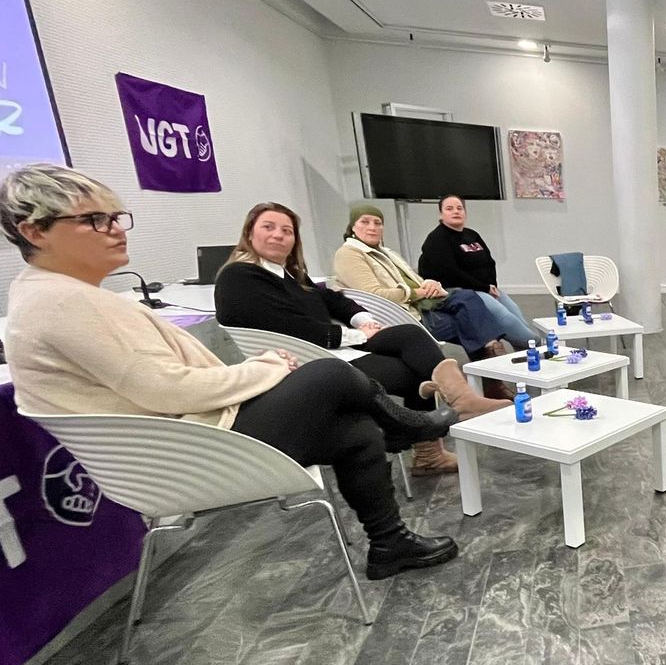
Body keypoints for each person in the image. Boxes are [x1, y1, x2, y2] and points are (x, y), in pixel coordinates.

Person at [0, 165, 458, 579]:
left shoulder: (58, 295)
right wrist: (266, 368)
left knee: (355, 430)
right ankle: (406, 426)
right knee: (328, 376)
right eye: (95, 220)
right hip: (186, 453)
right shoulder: (62, 303)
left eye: (117, 217)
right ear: (34, 231)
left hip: (189, 436)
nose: (116, 230)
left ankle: (389, 542)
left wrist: (268, 369)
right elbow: (168, 389)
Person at [216, 202, 507, 477]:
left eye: (287, 230)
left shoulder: (288, 274)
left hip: (336, 344)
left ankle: (460, 402)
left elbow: (333, 298)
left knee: (410, 335)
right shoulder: (240, 277)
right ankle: (428, 451)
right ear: (249, 233)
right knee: (411, 371)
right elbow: (288, 326)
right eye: (269, 227)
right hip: (310, 360)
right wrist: (353, 334)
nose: (278, 234)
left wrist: (362, 320)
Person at [329, 203, 507, 359]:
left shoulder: (386, 252)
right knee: (470, 321)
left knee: (468, 301)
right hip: (406, 314)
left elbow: (412, 279)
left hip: (424, 302)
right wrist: (419, 292)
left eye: (378, 223)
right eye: (365, 222)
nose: (372, 227)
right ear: (353, 227)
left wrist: (429, 283)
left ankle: (492, 366)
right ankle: (494, 365)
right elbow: (375, 294)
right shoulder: (349, 254)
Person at [417, 194, 537, 347]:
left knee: (514, 310)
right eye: (449, 208)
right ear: (441, 214)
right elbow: (451, 273)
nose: (456, 211)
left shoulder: (471, 234)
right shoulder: (437, 239)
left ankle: (525, 347)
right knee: (503, 317)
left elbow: (489, 262)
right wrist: (485, 288)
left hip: (485, 288)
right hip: (459, 291)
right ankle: (536, 345)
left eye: (460, 208)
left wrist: (492, 286)